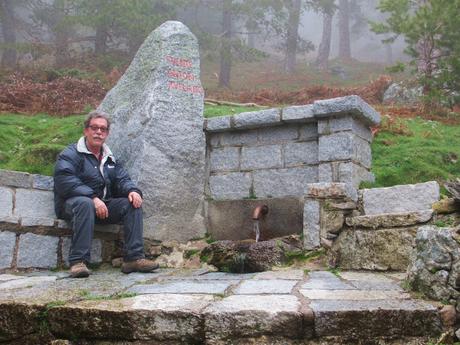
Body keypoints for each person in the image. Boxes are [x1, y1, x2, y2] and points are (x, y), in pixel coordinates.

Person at [53, 110, 158, 278]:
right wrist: (93, 198)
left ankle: (134, 258)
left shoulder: (109, 158)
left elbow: (122, 179)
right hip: (73, 206)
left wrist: (132, 191)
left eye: (103, 129)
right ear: (86, 130)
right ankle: (78, 261)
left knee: (132, 203)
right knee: (84, 203)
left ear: (107, 133)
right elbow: (64, 181)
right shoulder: (71, 154)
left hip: (103, 206)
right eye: (94, 128)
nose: (99, 132)